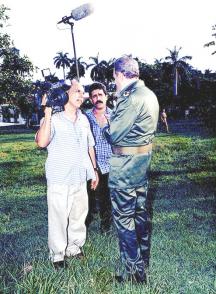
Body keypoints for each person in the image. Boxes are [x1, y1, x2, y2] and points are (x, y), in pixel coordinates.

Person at [104, 55, 159, 283]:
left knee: (125, 221)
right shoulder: (149, 94)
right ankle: (142, 263)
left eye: (114, 77)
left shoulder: (131, 97)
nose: (114, 82)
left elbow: (114, 134)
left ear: (119, 74)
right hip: (140, 167)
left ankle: (134, 273)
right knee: (140, 217)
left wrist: (108, 121)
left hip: (125, 171)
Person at [35, 79, 99, 269]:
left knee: (79, 215)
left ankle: (74, 247)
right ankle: (57, 255)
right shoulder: (53, 119)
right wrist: (47, 111)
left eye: (82, 91)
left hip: (79, 177)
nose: (81, 95)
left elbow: (90, 146)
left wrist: (94, 171)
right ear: (65, 95)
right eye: (77, 91)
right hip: (59, 178)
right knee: (58, 217)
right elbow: (41, 142)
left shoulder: (84, 119)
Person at [85, 82, 112, 233]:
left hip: (111, 163)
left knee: (107, 197)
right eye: (94, 96)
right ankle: (85, 223)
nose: (98, 98)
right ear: (90, 99)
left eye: (100, 95)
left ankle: (105, 225)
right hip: (92, 163)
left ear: (106, 96)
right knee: (89, 197)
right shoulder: (85, 117)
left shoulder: (116, 116)